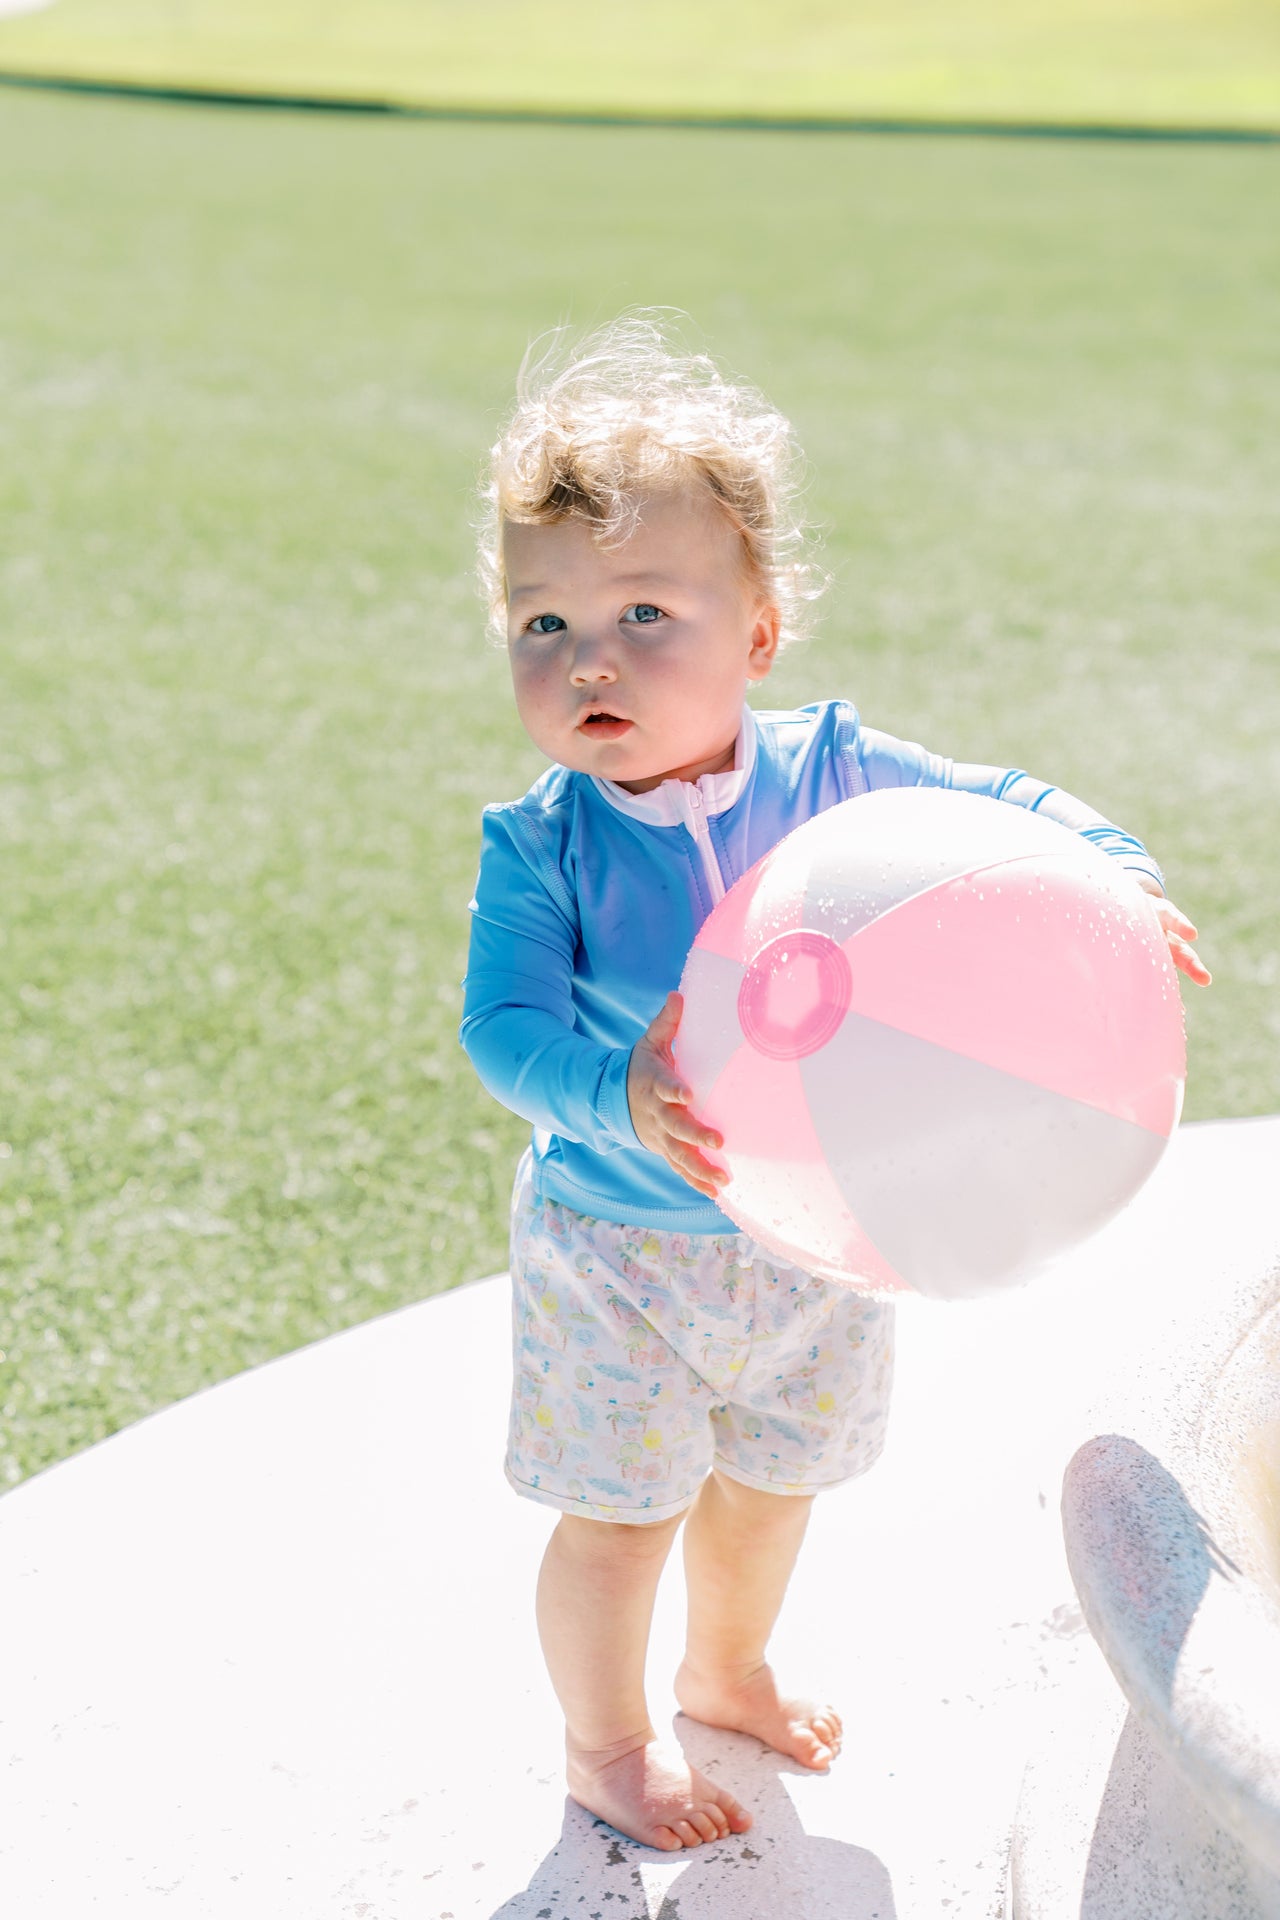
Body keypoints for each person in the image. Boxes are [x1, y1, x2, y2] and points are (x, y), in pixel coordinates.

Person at [459, 316, 1210, 1852]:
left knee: (772, 1486)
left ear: (759, 633)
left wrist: (1114, 875)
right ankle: (605, 1746)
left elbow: (1011, 810)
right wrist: (616, 1091)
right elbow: (502, 1029)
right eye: (543, 624)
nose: (588, 657)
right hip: (620, 1255)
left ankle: (726, 1671)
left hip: (820, 1234)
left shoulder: (838, 775)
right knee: (621, 1517)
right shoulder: (540, 844)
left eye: (645, 612)